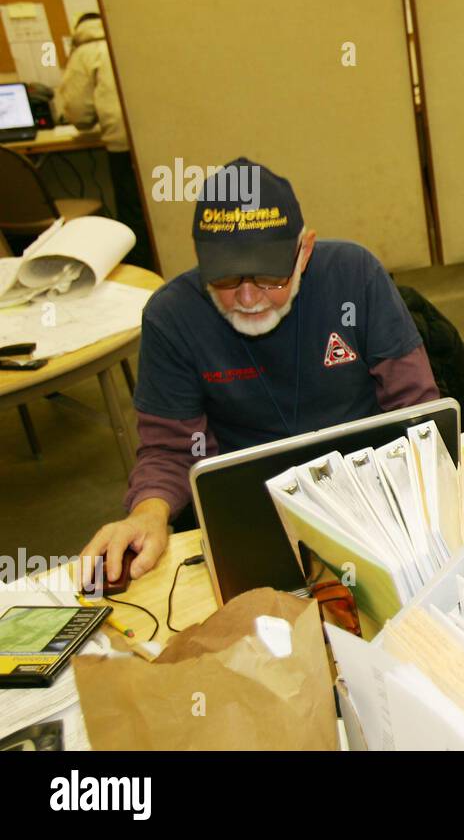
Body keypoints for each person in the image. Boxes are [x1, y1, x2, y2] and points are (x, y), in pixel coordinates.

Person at [80, 159, 440, 585]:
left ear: (303, 251)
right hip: (253, 519)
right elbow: (172, 451)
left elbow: (415, 408)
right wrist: (149, 513)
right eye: (227, 280)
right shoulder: (172, 316)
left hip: (374, 499)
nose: (249, 298)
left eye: (270, 277)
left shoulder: (354, 276)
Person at [54, 13, 154, 270]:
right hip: (159, 141)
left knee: (134, 214)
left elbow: (77, 111)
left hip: (123, 145)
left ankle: (141, 273)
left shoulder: (86, 51)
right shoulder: (138, 40)